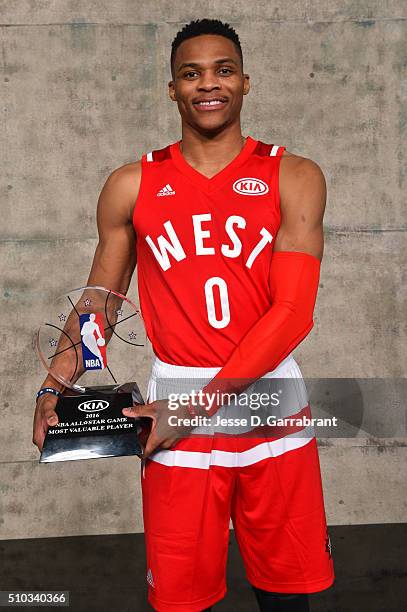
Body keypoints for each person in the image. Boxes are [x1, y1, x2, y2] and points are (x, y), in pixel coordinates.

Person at [33, 18, 335, 612]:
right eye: (190, 74)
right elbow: (102, 299)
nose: (208, 85)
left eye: (223, 70)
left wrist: (197, 405)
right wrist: (55, 384)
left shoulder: (293, 175)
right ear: (172, 89)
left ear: (245, 82)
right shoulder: (132, 184)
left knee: (284, 592)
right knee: (180, 597)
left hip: (266, 396)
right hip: (175, 396)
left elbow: (294, 312)